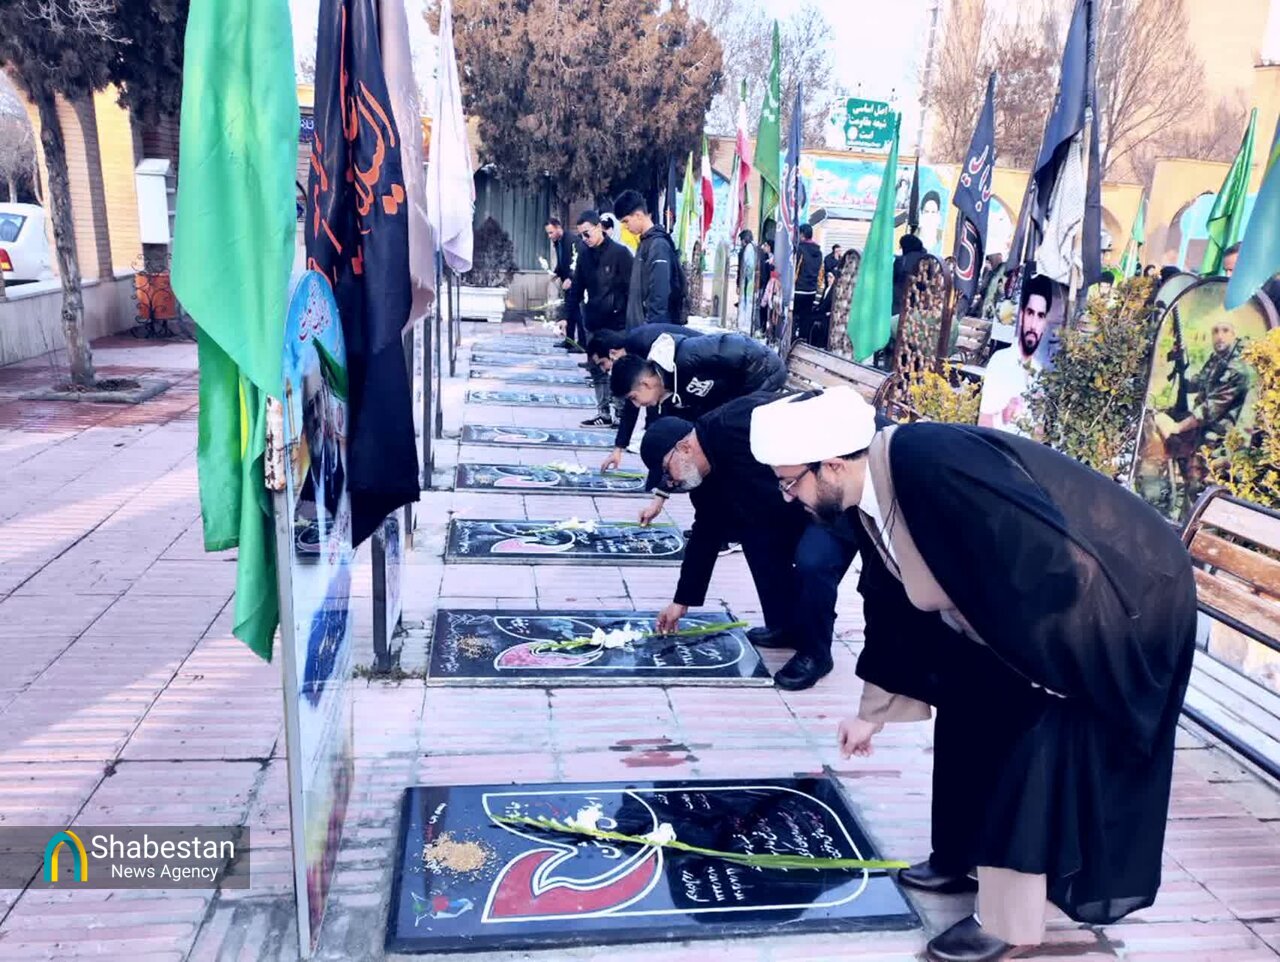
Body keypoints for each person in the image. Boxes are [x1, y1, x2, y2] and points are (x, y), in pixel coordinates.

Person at [749, 386, 1197, 962]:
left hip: (1117, 598)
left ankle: (1009, 923)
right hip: (1037, 606)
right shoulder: (870, 490)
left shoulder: (930, 465)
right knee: (967, 706)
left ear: (832, 464)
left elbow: (1046, 559)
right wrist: (870, 713)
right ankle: (960, 856)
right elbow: (890, 601)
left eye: (791, 483)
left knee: (1025, 736)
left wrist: (1050, 663)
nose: (789, 497)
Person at [637, 396, 846, 689]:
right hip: (791, 505)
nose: (670, 483)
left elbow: (813, 406)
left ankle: (816, 652)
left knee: (813, 560)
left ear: (684, 448)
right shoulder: (704, 474)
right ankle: (786, 626)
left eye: (667, 472)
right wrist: (681, 601)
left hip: (831, 491)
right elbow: (706, 532)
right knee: (757, 540)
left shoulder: (739, 422)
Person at [1154, 317, 1250, 513]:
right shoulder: (1217, 359)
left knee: (1206, 487)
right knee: (1191, 479)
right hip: (1206, 430)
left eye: (1225, 330)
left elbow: (1211, 408)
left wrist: (1177, 427)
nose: (1219, 336)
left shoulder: (1238, 367)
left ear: (1234, 335)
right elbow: (1197, 383)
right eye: (1215, 331)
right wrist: (1180, 366)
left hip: (1224, 438)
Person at [572, 210, 635, 427]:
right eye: (581, 235)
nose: (584, 239)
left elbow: (632, 290)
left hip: (616, 324)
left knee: (616, 368)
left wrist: (626, 318)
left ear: (599, 227)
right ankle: (603, 412)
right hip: (594, 322)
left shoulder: (620, 254)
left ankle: (620, 413)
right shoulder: (584, 255)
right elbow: (577, 288)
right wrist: (565, 317)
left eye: (587, 233)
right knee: (596, 367)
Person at [587, 322, 697, 445]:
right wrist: (620, 445)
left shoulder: (643, 347)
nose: (604, 370)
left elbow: (648, 400)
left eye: (602, 363)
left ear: (612, 353)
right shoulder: (634, 345)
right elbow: (633, 401)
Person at [978, 275, 1054, 433]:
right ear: (1021, 316)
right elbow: (983, 424)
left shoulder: (1042, 374)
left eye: (1040, 316)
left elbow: (1039, 435)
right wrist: (1004, 415)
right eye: (1030, 313)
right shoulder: (1000, 361)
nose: (1033, 325)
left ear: (1045, 324)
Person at [613, 190, 683, 329]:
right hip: (639, 329)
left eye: (626, 221)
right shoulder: (644, 243)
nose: (625, 227)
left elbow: (659, 294)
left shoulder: (658, 245)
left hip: (651, 330)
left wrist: (651, 331)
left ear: (638, 215)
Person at [545, 217, 581, 348]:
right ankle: (569, 341)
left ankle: (582, 343)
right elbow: (562, 261)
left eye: (551, 232)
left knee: (577, 313)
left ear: (559, 228)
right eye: (548, 233)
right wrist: (556, 273)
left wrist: (571, 278)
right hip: (565, 280)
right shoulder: (558, 242)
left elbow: (577, 261)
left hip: (575, 281)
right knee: (569, 313)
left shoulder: (572, 240)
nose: (549, 236)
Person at [793, 223, 825, 344]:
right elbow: (821, 273)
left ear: (802, 235)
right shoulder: (819, 252)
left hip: (798, 290)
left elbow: (795, 269)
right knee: (805, 319)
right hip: (811, 291)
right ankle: (803, 343)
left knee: (793, 317)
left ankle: (791, 342)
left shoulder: (800, 249)